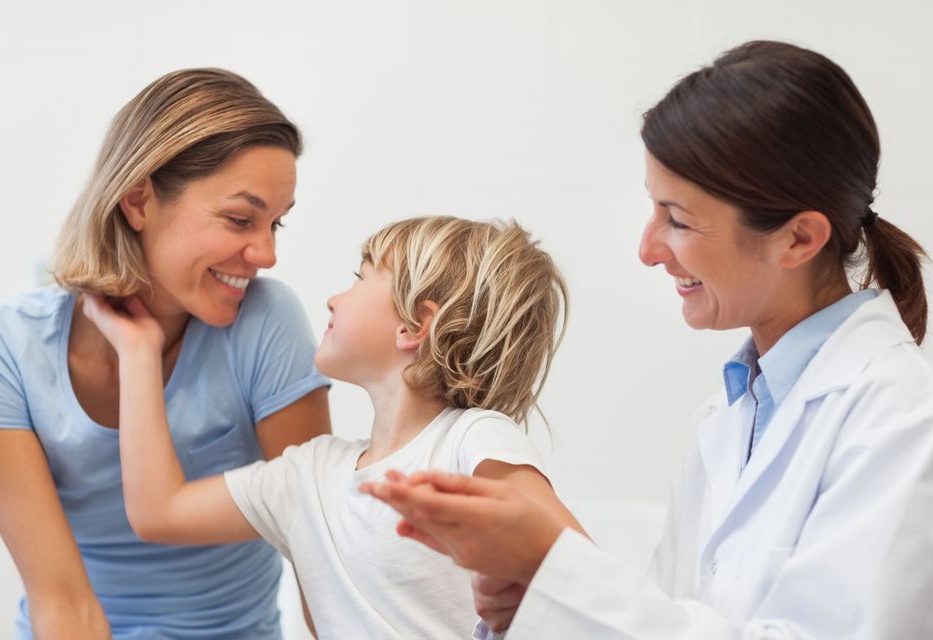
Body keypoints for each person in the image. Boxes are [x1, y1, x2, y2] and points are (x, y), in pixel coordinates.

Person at [362, 40, 933, 639]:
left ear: (798, 239)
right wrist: (538, 601)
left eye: (678, 220)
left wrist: (559, 568)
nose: (648, 249)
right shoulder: (733, 412)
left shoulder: (899, 417)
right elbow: (673, 619)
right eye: (653, 209)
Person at [81, 215, 586, 639]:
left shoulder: (470, 439)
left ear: (414, 326)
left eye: (360, 278)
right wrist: (139, 352)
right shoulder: (307, 475)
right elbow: (158, 512)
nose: (334, 300)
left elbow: (581, 575)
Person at [0, 68, 331, 639]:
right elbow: (63, 604)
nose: (265, 254)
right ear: (138, 200)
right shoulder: (2, 351)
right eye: (241, 219)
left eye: (275, 224)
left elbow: (320, 550)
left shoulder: (266, 321)